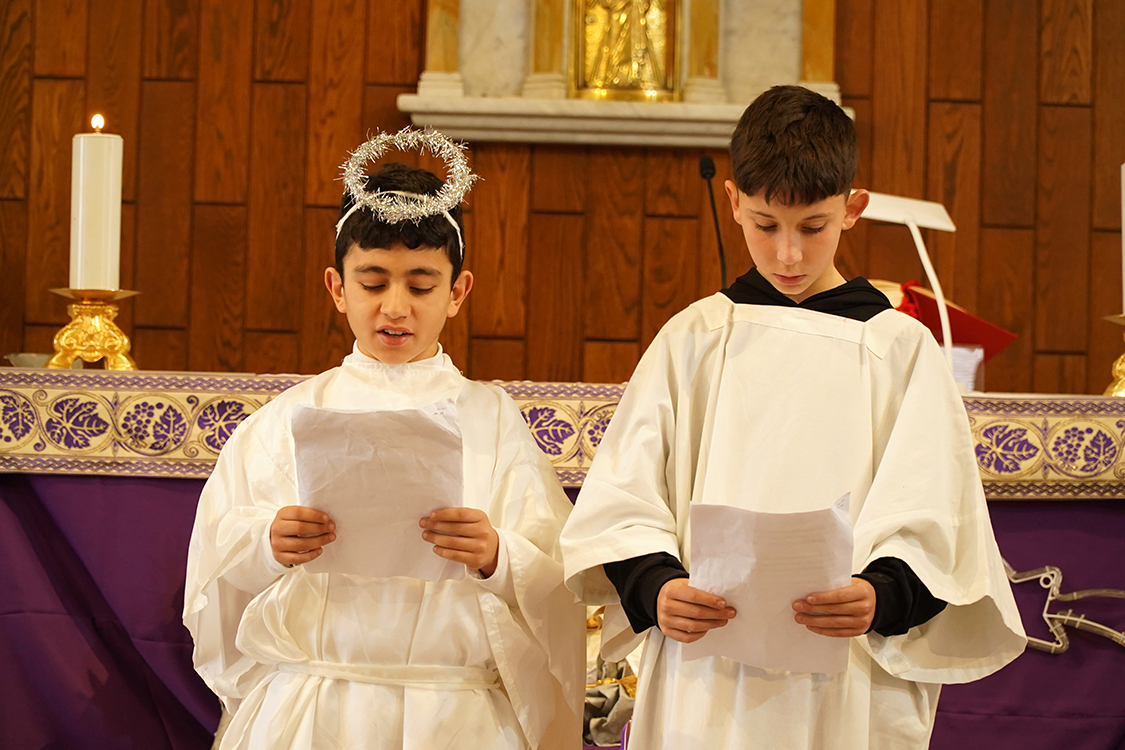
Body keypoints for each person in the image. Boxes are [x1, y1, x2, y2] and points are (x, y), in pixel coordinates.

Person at [559, 85, 1026, 749]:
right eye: (764, 224)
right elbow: (623, 500)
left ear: (853, 209)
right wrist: (655, 586)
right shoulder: (695, 338)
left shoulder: (898, 349)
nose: (788, 255)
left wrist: (883, 594)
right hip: (704, 672)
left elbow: (936, 518)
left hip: (845, 674)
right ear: (732, 202)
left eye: (812, 227)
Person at [184, 138, 584, 750]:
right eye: (372, 283)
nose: (394, 308)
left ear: (458, 292)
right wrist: (268, 544)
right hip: (314, 704)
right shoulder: (285, 420)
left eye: (421, 287)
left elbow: (559, 574)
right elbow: (215, 564)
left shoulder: (492, 421)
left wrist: (497, 555)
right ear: (337, 287)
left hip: (453, 713)